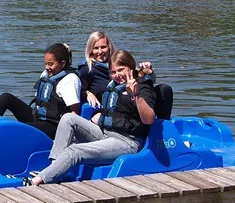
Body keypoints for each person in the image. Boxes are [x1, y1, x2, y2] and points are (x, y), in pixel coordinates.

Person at [28, 49, 156, 186]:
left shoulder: (142, 86)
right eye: (113, 72)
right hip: (105, 133)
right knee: (68, 118)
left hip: (126, 142)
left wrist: (136, 95)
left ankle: (36, 182)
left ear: (130, 67)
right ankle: (53, 169)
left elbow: (148, 119)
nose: (117, 75)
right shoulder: (113, 85)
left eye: (121, 70)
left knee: (75, 150)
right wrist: (88, 93)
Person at [0, 43, 81, 139]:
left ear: (62, 64)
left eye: (50, 64)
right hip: (37, 118)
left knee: (19, 129)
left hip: (54, 126)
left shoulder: (70, 79)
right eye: (45, 63)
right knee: (6, 98)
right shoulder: (45, 74)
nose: (46, 67)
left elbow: (74, 113)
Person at [78, 31, 114, 108]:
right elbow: (76, 88)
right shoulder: (87, 69)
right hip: (100, 111)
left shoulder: (118, 65)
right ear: (90, 50)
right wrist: (87, 93)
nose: (100, 52)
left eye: (103, 47)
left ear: (109, 47)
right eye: (96, 48)